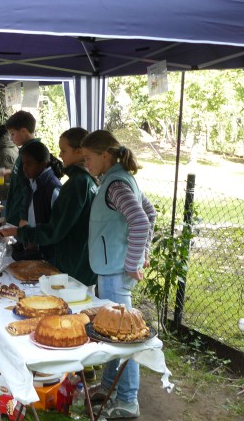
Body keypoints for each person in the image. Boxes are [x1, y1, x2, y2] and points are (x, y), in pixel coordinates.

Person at [81, 130, 157, 419]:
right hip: (111, 268)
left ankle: (127, 399)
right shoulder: (122, 179)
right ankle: (111, 385)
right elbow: (150, 213)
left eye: (88, 158)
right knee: (111, 333)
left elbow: (139, 219)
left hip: (115, 271)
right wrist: (143, 252)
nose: (86, 164)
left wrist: (133, 261)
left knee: (123, 337)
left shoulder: (115, 185)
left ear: (105, 155)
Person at [14, 127, 98, 286]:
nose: (59, 155)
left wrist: (21, 233)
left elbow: (55, 229)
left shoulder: (78, 183)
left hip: (75, 264)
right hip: (81, 261)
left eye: (64, 151)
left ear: (79, 152)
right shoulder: (86, 180)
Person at [13, 141, 63, 262]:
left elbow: (55, 227)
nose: (24, 169)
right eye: (23, 164)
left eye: (29, 164)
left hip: (49, 255)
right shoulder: (34, 183)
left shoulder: (53, 188)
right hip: (37, 249)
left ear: (43, 164)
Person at [4, 110, 41, 226]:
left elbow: (29, 188)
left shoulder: (33, 153)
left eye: (13, 134)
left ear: (24, 131)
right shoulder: (23, 152)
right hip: (15, 211)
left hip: (21, 217)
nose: (11, 138)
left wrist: (24, 217)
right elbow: (23, 175)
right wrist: (11, 172)